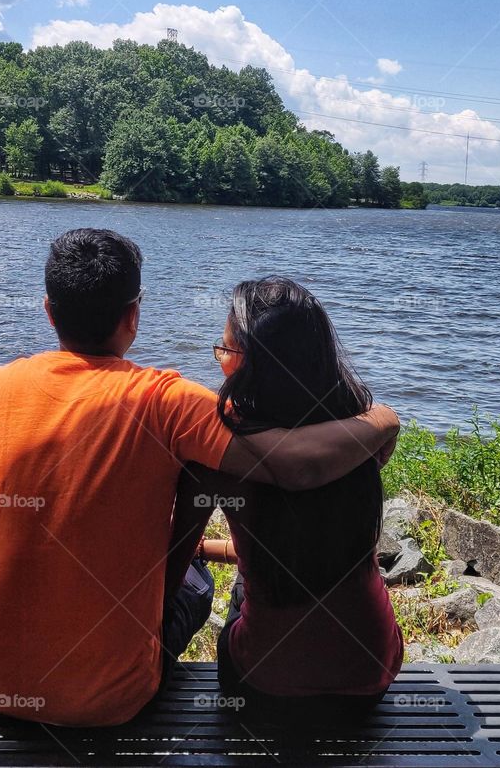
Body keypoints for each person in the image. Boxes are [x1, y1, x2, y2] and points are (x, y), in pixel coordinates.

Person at [0, 229, 398, 727]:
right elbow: (294, 464)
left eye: (223, 349)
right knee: (202, 584)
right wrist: (382, 418)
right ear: (133, 316)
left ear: (49, 312)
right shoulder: (171, 403)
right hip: (114, 701)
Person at [167, 277, 403, 726]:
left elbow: (170, 570)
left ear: (250, 364)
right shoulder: (358, 435)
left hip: (263, 685)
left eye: (225, 350)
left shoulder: (219, 452)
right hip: (370, 676)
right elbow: (309, 545)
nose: (220, 359)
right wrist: (386, 417)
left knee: (223, 586)